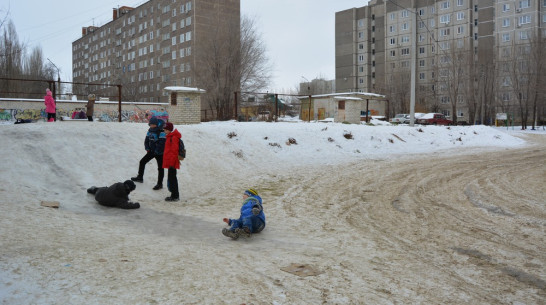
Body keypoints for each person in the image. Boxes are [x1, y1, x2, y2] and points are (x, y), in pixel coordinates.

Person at [131, 116, 166, 190]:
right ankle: (140, 177)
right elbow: (146, 140)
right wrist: (147, 148)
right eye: (151, 124)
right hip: (151, 151)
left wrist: (157, 150)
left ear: (156, 124)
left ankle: (160, 184)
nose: (152, 126)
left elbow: (162, 143)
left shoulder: (161, 131)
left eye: (153, 124)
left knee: (160, 168)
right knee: (142, 162)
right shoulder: (149, 131)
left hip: (159, 153)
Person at [162, 122, 185, 202]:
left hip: (172, 162)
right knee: (171, 178)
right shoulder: (169, 137)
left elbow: (174, 151)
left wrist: (171, 163)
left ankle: (175, 196)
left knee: (172, 178)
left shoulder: (173, 137)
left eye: (165, 129)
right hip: (170, 161)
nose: (164, 130)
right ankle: (174, 195)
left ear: (169, 129)